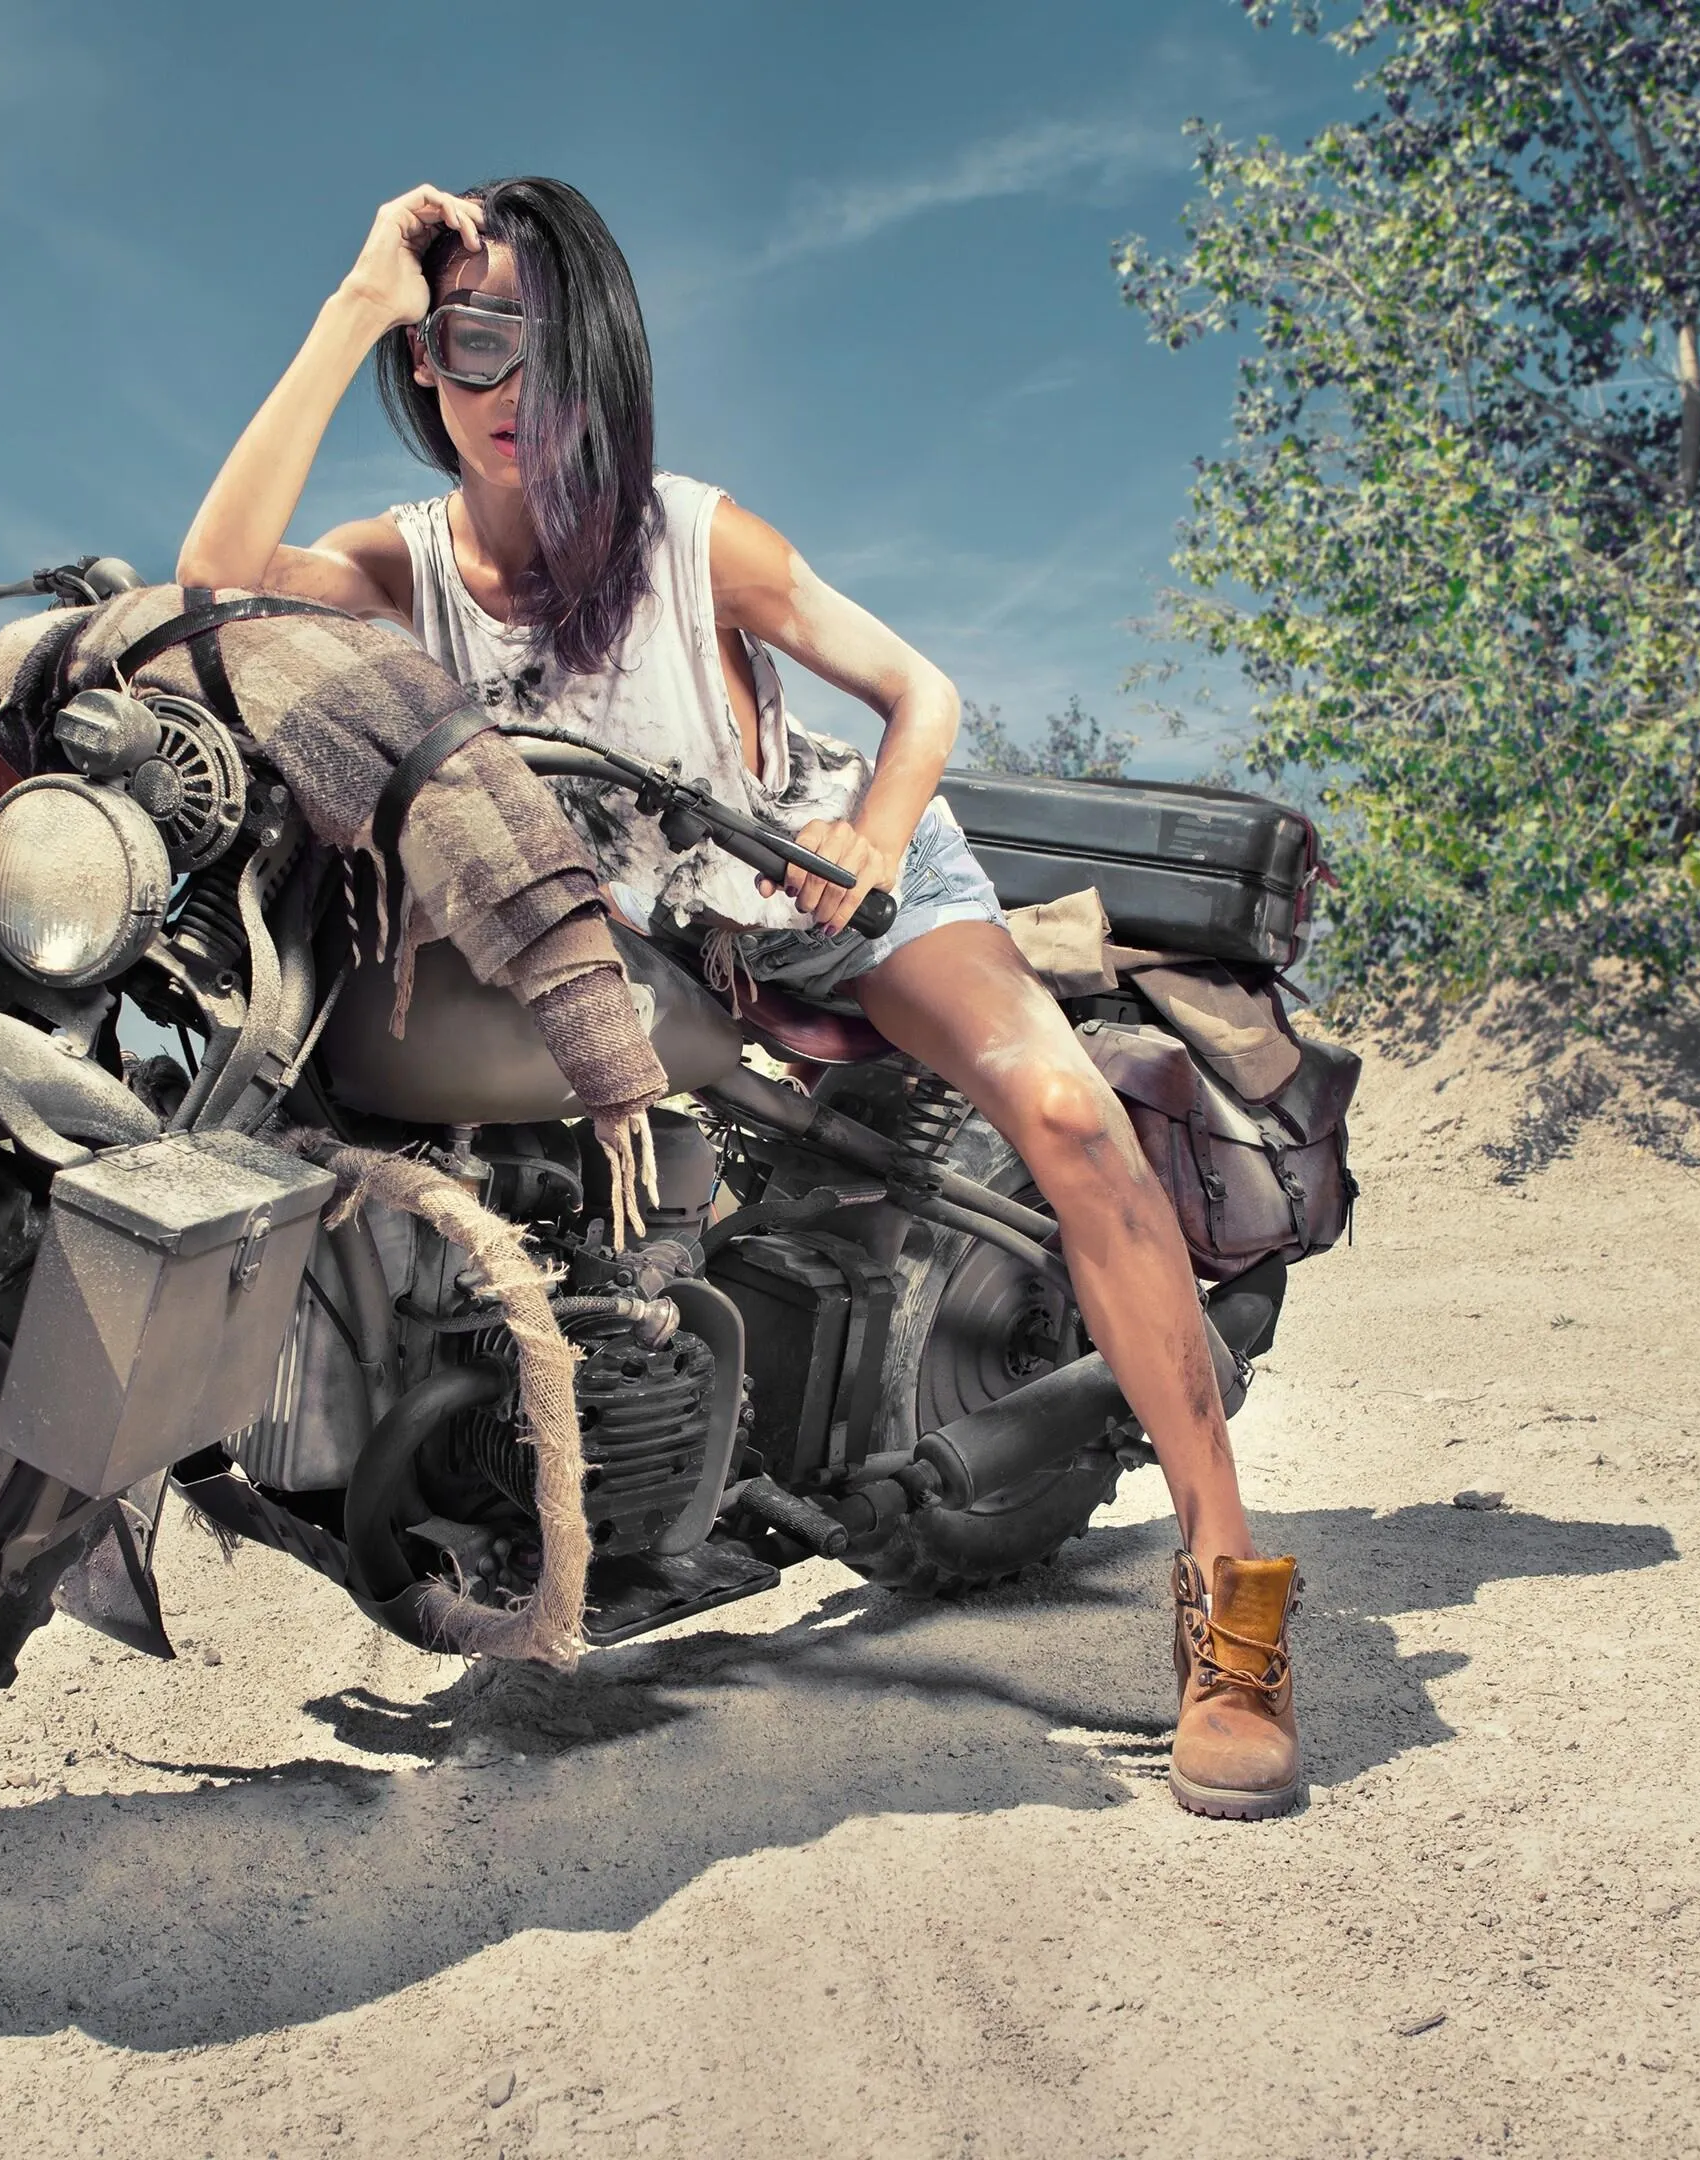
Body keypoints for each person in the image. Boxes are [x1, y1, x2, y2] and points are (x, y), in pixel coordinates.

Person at [173, 176, 1300, 1821]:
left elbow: (921, 691)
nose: (513, 394)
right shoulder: (399, 568)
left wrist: (870, 834)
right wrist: (357, 298)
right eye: (472, 344)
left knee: (1063, 1115)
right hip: (669, 935)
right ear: (424, 363)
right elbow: (213, 583)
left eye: (553, 354)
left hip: (833, 887)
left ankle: (1233, 1592)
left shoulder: (699, 540)